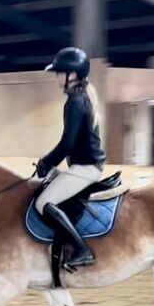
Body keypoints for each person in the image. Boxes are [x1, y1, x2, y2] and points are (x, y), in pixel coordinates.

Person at [35, 47, 106, 269]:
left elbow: (68, 143)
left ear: (72, 74)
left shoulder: (75, 101)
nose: (57, 77)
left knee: (43, 203)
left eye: (59, 72)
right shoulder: (84, 96)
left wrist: (47, 162)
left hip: (85, 168)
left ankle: (82, 249)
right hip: (87, 165)